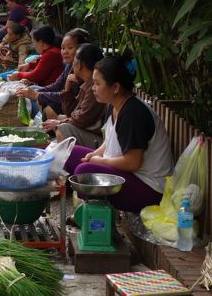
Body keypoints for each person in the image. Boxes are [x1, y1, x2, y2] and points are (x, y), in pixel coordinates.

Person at [63, 53, 174, 213]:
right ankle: (89, 210)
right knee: (69, 151)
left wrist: (99, 162)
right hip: (129, 175)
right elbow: (110, 139)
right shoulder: (113, 103)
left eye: (97, 83)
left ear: (115, 87)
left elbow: (133, 163)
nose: (93, 88)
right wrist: (96, 153)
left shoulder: (133, 113)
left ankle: (99, 220)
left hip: (149, 188)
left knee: (84, 172)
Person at [16, 28, 90, 119]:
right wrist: (36, 93)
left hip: (75, 108)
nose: (65, 51)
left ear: (80, 49)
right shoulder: (69, 65)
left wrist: (36, 94)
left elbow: (36, 76)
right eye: (63, 48)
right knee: (36, 92)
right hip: (66, 100)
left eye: (70, 48)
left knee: (49, 107)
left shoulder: (82, 70)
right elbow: (57, 85)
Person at [42, 44, 106, 149]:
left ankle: (66, 162)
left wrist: (59, 122)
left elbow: (82, 119)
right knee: (60, 120)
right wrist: (67, 90)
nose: (72, 65)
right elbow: (71, 112)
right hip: (90, 130)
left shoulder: (93, 87)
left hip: (100, 140)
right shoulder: (86, 83)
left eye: (74, 61)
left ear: (79, 64)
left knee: (63, 128)